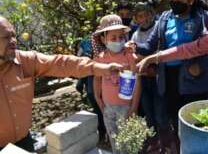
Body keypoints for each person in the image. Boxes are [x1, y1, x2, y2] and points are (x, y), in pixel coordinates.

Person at [0, 16, 124, 152]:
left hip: (24, 141)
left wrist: (97, 68)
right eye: (6, 37)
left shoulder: (24, 60)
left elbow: (60, 63)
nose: (13, 41)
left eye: (14, 36)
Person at [126, 0, 208, 152]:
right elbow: (149, 46)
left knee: (194, 123)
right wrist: (135, 46)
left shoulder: (203, 18)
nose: (174, 3)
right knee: (174, 122)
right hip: (167, 80)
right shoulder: (165, 19)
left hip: (193, 81)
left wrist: (201, 65)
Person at [92, 15, 141, 154]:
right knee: (115, 141)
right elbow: (96, 79)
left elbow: (137, 80)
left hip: (126, 107)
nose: (118, 41)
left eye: (121, 37)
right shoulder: (100, 58)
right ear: (103, 39)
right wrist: (98, 99)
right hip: (108, 107)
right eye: (113, 38)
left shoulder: (129, 55)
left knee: (129, 143)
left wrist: (134, 107)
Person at [131, 1, 165, 151]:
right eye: (140, 16)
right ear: (136, 19)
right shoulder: (135, 35)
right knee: (148, 113)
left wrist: (144, 58)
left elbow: (158, 53)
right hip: (143, 79)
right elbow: (133, 57)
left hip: (158, 78)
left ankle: (165, 141)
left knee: (160, 114)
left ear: (151, 14)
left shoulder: (158, 29)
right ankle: (153, 142)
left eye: (146, 14)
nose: (144, 18)